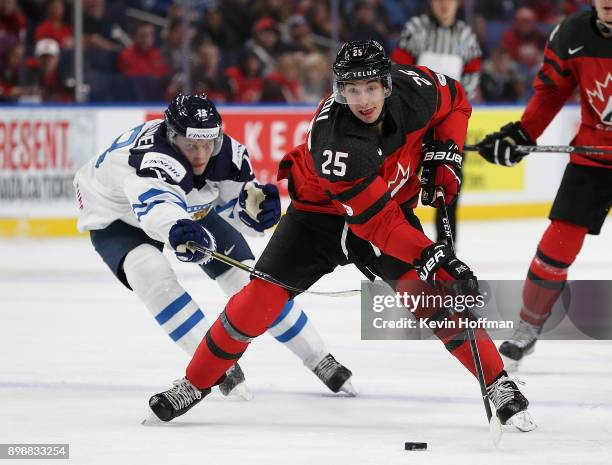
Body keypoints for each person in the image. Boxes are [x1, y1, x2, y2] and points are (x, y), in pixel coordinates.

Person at [147, 40, 536, 432]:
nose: (362, 99)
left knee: (430, 298)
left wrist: (445, 153)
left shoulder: (415, 88)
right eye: (351, 90)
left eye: (369, 88)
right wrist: (430, 255)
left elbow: (457, 101)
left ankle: (498, 382)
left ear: (387, 84)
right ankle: (195, 382)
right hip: (319, 219)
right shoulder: (337, 142)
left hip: (387, 211)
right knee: (258, 300)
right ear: (339, 91)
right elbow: (376, 225)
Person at [73, 94, 355, 399]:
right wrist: (177, 229)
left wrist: (255, 213)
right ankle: (217, 366)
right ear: (171, 137)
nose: (200, 155)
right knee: (151, 274)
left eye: (208, 144)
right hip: (115, 216)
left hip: (184, 209)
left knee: (249, 281)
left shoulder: (226, 153)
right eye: (191, 145)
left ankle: (319, 357)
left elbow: (235, 207)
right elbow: (157, 210)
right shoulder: (150, 162)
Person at [476, 1, 612, 371]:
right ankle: (528, 326)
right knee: (556, 245)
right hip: (593, 158)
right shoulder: (572, 33)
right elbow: (552, 92)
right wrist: (522, 134)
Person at [390, 0, 482, 244]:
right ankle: (399, 246)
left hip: (448, 126)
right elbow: (397, 73)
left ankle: (446, 250)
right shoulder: (416, 29)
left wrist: (452, 112)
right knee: (400, 187)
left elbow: (472, 78)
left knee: (448, 189)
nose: (444, 5)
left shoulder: (466, 36)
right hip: (414, 125)